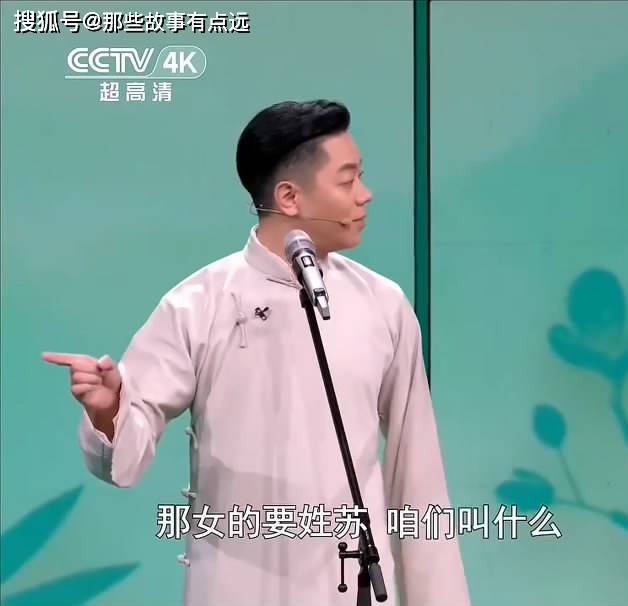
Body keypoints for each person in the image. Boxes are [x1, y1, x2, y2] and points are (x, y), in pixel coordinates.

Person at [43, 100, 471, 606]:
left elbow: (416, 471)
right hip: (234, 583)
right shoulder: (199, 302)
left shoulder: (383, 304)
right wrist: (108, 410)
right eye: (348, 180)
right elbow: (126, 457)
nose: (365, 194)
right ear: (289, 196)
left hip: (351, 582)